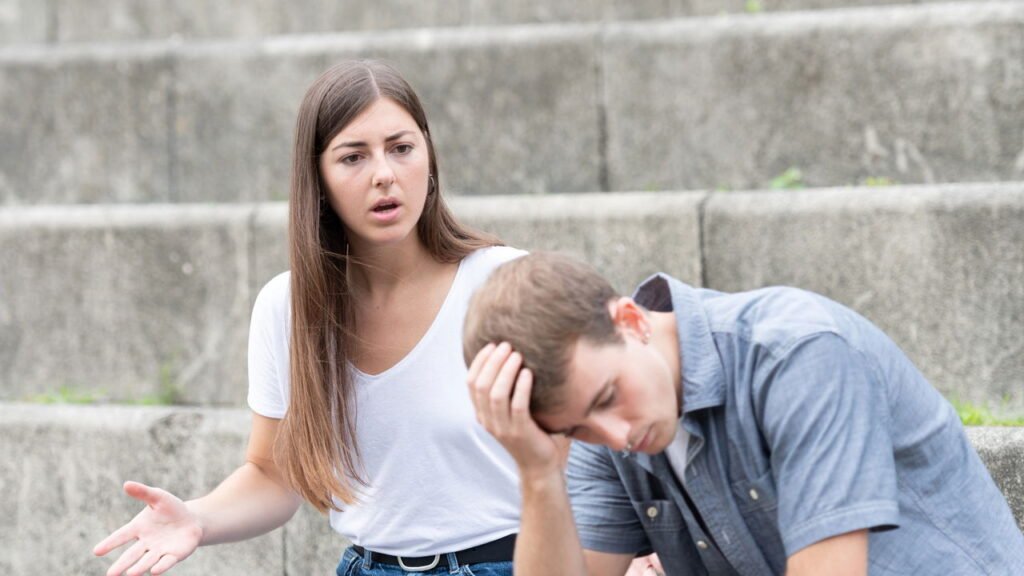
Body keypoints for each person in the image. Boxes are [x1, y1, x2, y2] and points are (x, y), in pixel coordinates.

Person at [92, 59, 529, 576]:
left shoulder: (505, 282)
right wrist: (197, 519)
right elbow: (272, 474)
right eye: (353, 157)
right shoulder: (288, 307)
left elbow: (591, 443)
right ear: (318, 179)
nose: (384, 174)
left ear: (429, 158)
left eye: (401, 148)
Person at [463, 252, 1024, 576]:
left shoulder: (797, 355)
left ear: (632, 322)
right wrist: (539, 473)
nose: (617, 436)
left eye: (608, 398)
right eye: (578, 429)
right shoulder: (600, 426)